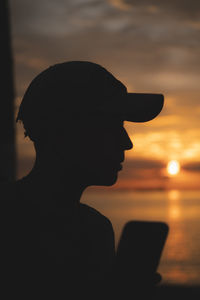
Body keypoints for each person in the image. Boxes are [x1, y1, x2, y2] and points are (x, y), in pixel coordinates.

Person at [2, 61, 164, 298]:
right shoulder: (9, 223)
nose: (127, 143)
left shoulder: (96, 230)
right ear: (62, 132)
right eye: (111, 126)